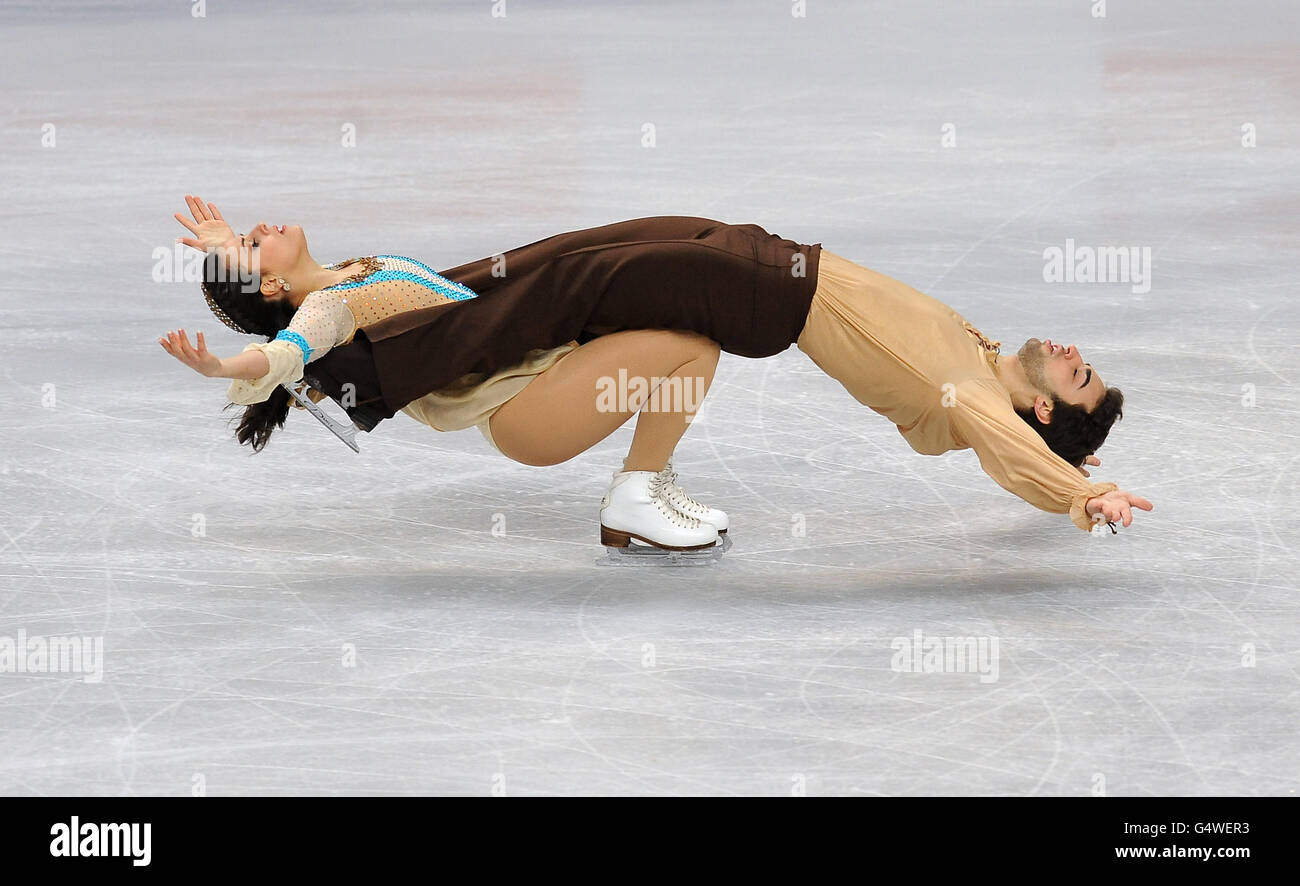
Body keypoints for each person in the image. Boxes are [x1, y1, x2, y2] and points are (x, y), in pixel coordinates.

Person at [161, 195, 1152, 555]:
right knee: (633, 284)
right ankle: (639, 493)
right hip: (563, 389)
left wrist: (1080, 487)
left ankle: (638, 492)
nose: (1071, 356)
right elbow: (295, 351)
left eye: (1075, 378)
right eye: (253, 243)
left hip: (739, 301)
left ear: (1034, 406)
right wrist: (246, 321)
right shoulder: (333, 299)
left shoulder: (972, 387)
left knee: (673, 315)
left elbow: (994, 434)